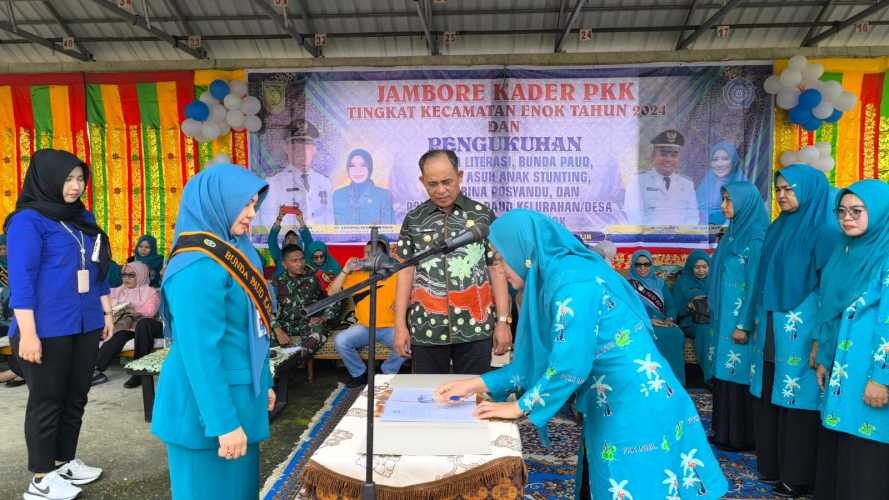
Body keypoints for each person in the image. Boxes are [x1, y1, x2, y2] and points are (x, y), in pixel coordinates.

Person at [434, 209, 728, 500]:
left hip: (635, 406)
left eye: (500, 257)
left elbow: (569, 365)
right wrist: (476, 384)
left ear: (522, 250)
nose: (498, 268)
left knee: (637, 485)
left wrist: (519, 407)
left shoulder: (571, 282)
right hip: (614, 401)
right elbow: (535, 363)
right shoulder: (555, 275)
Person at [151, 164, 275, 499]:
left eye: (253, 204)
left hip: (239, 400)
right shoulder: (198, 266)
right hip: (206, 414)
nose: (251, 213)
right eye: (244, 204)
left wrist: (265, 381)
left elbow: (254, 329)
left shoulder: (239, 248)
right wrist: (223, 422)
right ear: (216, 202)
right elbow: (200, 353)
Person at [6, 149, 113, 500]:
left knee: (76, 396)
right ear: (48, 178)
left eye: (80, 178)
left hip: (84, 321)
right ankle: (41, 478)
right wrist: (29, 335)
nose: (76, 186)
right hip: (46, 327)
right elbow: (21, 280)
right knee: (47, 400)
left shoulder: (81, 216)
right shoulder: (27, 220)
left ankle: (64, 461)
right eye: (68, 179)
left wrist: (107, 314)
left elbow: (97, 271)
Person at [748, 164, 842, 497]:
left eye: (790, 189)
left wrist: (820, 337)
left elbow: (832, 291)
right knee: (772, 393)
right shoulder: (777, 228)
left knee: (800, 401)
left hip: (804, 330)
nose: (782, 195)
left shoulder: (826, 231)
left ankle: (798, 475)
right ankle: (772, 467)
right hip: (774, 327)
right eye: (779, 189)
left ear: (810, 189)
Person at [393, 149, 512, 374]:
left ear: (460, 176)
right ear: (422, 181)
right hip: (427, 327)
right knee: (427, 398)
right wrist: (400, 326)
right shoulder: (414, 219)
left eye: (447, 182)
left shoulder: (482, 215)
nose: (440, 190)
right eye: (432, 184)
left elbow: (496, 268)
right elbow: (405, 272)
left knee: (474, 397)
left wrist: (503, 322)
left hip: (475, 326)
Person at [813, 179, 889, 499]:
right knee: (842, 441)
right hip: (843, 369)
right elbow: (830, 309)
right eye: (842, 211)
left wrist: (881, 379)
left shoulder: (885, 257)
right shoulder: (844, 252)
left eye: (858, 211)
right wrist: (823, 356)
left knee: (867, 447)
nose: (847, 217)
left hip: (870, 373)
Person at [708, 181, 768, 451]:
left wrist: (744, 323)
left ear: (745, 202)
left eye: (728, 200)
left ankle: (741, 436)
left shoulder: (756, 237)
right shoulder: (733, 233)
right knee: (724, 374)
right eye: (723, 199)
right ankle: (724, 433)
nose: (723, 206)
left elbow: (756, 283)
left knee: (739, 375)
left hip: (741, 322)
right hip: (725, 320)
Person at [330, 238, 405, 387]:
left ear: (384, 256)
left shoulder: (396, 273)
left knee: (408, 345)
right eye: (365, 253)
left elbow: (415, 288)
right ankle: (359, 374)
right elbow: (332, 293)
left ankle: (386, 372)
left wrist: (404, 303)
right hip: (364, 327)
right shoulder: (357, 276)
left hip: (391, 327)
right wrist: (346, 269)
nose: (366, 258)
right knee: (341, 341)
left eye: (371, 254)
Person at [91, 262, 160, 388]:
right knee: (120, 334)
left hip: (142, 326)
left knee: (143, 325)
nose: (126, 278)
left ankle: (138, 373)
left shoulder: (150, 292)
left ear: (141, 275)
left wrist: (135, 311)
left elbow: (151, 312)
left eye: (131, 275)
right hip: (124, 326)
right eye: (124, 275)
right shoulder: (117, 291)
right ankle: (95, 370)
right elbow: (103, 305)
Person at [272, 244, 341, 364]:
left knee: (318, 332)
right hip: (285, 324)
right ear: (284, 264)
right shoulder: (277, 282)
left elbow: (336, 298)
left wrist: (323, 318)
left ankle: (288, 362)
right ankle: (277, 370)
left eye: (302, 259)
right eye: (294, 261)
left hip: (308, 323)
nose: (300, 263)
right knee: (263, 337)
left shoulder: (317, 276)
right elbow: (265, 308)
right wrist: (277, 330)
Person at [259, 119, 333, 226]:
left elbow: (329, 221)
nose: (302, 154)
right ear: (286, 148)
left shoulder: (324, 182)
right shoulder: (272, 184)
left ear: (314, 150)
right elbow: (268, 225)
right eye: (296, 148)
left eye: (306, 148)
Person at [627, 250, 686, 385]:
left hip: (662, 320)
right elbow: (627, 310)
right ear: (633, 266)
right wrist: (648, 321)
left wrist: (670, 319)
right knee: (653, 335)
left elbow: (671, 306)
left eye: (646, 264)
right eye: (638, 265)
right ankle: (653, 380)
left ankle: (674, 382)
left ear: (651, 265)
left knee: (675, 334)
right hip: (640, 322)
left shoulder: (660, 283)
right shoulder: (628, 285)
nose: (643, 268)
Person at [623, 130, 699, 226]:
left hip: (680, 239)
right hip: (648, 239)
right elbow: (633, 215)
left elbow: (692, 217)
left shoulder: (687, 184)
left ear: (679, 158)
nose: (668, 159)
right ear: (653, 156)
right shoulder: (638, 182)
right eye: (663, 154)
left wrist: (681, 237)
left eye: (674, 155)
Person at [672, 250, 714, 383]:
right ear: (691, 267)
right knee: (705, 331)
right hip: (690, 322)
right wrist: (688, 306)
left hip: (714, 320)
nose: (701, 270)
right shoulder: (682, 283)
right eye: (697, 267)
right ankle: (710, 377)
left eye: (704, 267)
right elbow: (675, 307)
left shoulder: (715, 281)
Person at [332, 148, 395, 225]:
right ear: (348, 169)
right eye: (352, 166)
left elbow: (390, 232)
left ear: (370, 168)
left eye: (363, 165)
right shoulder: (338, 195)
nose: (357, 170)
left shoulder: (383, 196)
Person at [697, 142, 746, 226]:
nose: (719, 164)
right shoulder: (707, 180)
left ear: (734, 161)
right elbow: (696, 210)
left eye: (725, 159)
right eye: (715, 159)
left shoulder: (740, 182)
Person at [0, 233, 26, 387]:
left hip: (18, 313)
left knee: (16, 332)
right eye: (0, 248)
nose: (3, 251)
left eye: (6, 248)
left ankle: (18, 371)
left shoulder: (19, 263)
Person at [267, 205, 312, 278]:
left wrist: (301, 220)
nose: (291, 240)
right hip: (280, 286)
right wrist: (279, 217)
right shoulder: (280, 255)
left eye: (294, 238)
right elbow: (271, 241)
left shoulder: (304, 255)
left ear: (299, 243)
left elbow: (309, 242)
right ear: (284, 242)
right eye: (288, 238)